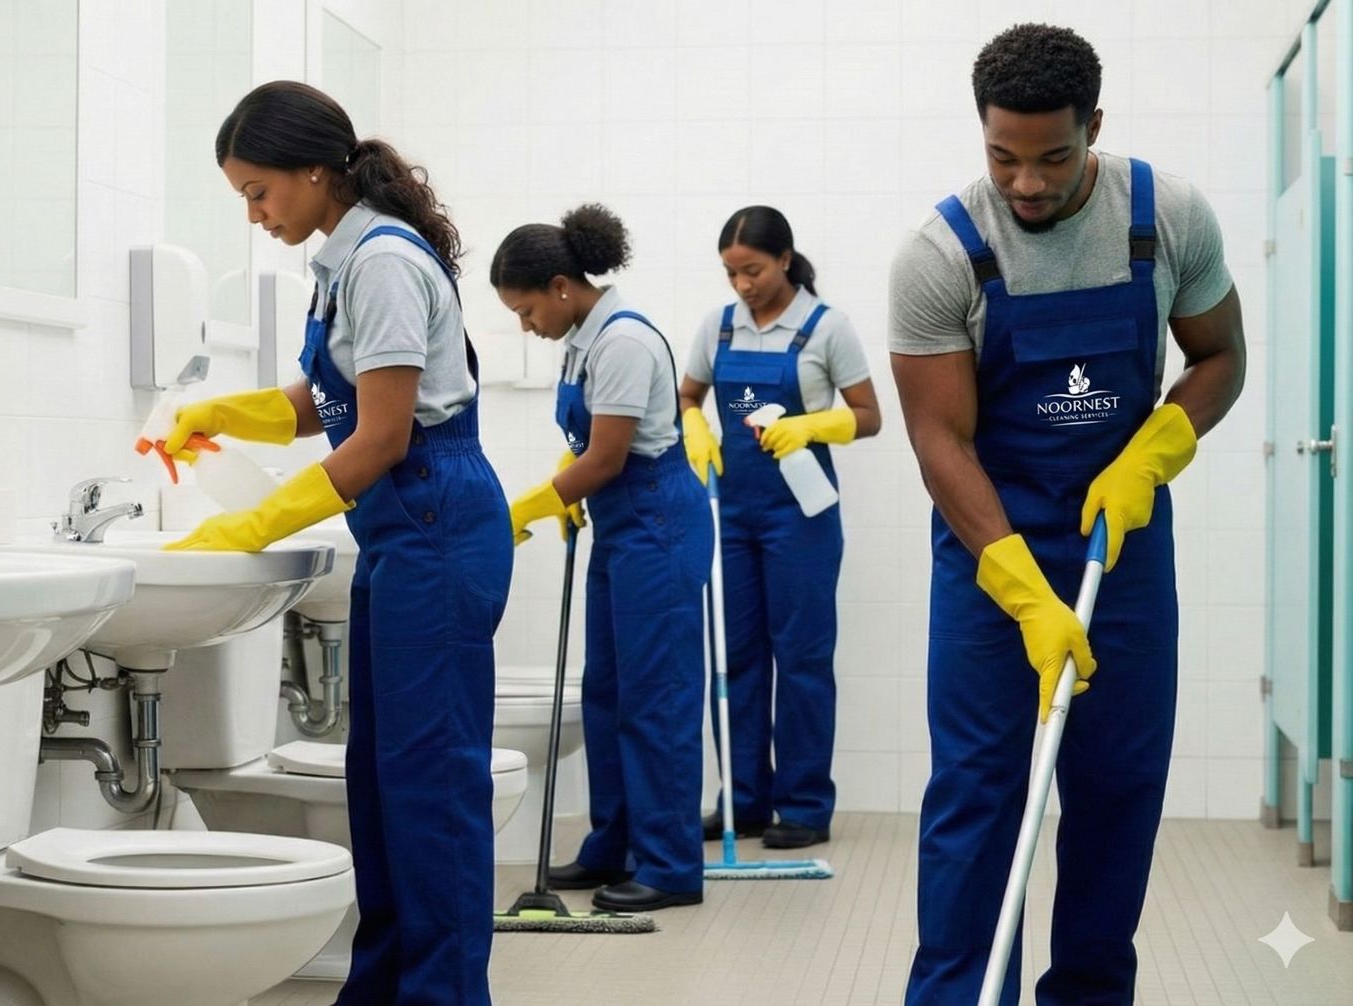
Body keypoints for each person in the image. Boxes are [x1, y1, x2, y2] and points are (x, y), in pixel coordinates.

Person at [888, 25, 1245, 1005]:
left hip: (1119, 547)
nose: (1027, 183)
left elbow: (1220, 358)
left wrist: (1160, 446)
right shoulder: (941, 252)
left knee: (1116, 794)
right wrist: (1022, 591)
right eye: (1003, 157)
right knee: (977, 799)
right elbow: (939, 444)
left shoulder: (1167, 216)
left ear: (1094, 125)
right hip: (989, 559)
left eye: (1052, 157)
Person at [163, 81, 512, 1006]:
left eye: (259, 191)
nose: (255, 213)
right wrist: (221, 413)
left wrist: (250, 523)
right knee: (383, 786)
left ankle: (442, 995)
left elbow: (383, 436)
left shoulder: (384, 262)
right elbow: (329, 402)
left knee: (429, 793)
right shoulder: (343, 260)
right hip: (405, 529)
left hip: (433, 517)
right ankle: (388, 989)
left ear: (315, 170)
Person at [495, 204, 712, 912]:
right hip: (624, 525)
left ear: (562, 286)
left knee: (657, 699)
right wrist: (570, 484)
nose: (527, 326)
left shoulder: (621, 341)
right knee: (610, 694)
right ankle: (614, 845)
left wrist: (527, 507)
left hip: (657, 522)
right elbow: (593, 447)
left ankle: (671, 865)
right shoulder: (583, 337)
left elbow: (611, 456)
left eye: (527, 311)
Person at [678, 205, 880, 849]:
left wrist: (813, 425)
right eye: (731, 273)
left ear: (785, 260)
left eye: (754, 270)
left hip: (802, 516)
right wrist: (693, 423)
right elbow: (687, 394)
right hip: (730, 512)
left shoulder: (827, 328)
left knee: (801, 660)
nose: (742, 285)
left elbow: (869, 416)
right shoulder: (718, 327)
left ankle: (804, 805)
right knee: (733, 659)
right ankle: (742, 801)